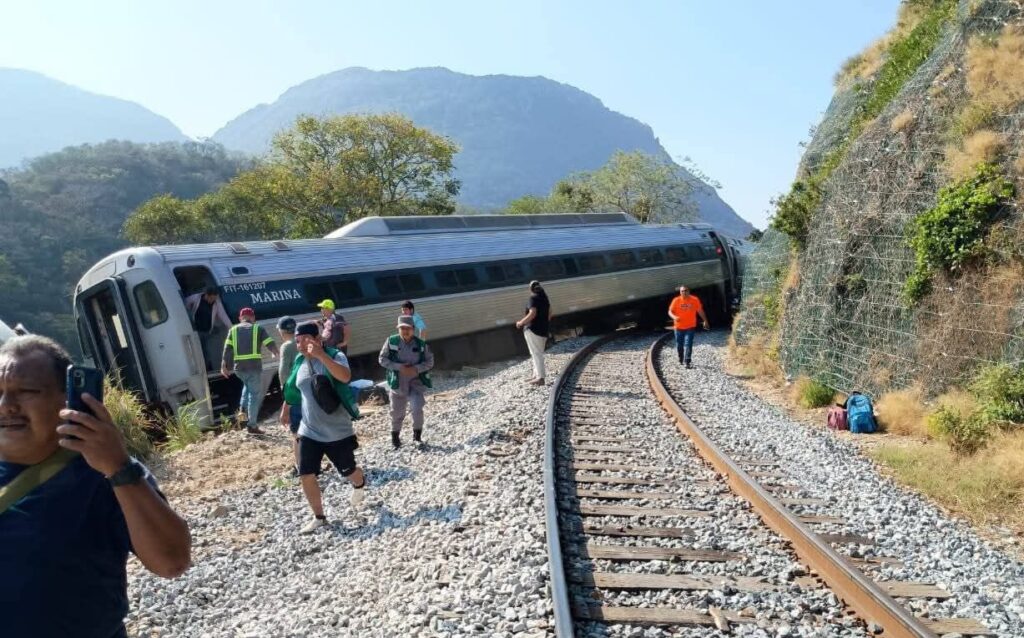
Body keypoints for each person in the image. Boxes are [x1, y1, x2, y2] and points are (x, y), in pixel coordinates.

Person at [0, 335, 191, 637]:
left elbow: (172, 562)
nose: (6, 406)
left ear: (70, 400)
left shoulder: (104, 472)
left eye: (25, 391)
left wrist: (118, 467)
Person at [283, 322, 366, 534]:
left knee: (348, 471)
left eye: (304, 340)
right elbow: (296, 387)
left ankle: (359, 483)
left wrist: (321, 355)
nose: (300, 345)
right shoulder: (299, 361)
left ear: (317, 339)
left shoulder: (334, 355)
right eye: (297, 340)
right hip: (309, 430)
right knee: (306, 473)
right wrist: (285, 407)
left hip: (337, 430)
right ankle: (319, 517)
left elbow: (345, 377)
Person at [378, 316, 435, 450]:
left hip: (415, 383)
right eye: (402, 328)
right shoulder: (391, 341)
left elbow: (430, 362)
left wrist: (416, 369)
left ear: (413, 329)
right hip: (397, 383)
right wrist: (399, 367)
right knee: (397, 412)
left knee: (417, 408)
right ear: (398, 329)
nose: (405, 331)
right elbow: (382, 359)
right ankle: (395, 438)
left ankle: (417, 437)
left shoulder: (421, 344)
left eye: (408, 328)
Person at [221, 307, 279, 434]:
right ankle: (252, 425)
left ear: (240, 318)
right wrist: (275, 352)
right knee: (254, 395)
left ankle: (242, 410)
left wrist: (223, 366)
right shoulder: (258, 328)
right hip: (253, 367)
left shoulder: (233, 330)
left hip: (239, 369)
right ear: (253, 317)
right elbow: (269, 342)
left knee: (247, 387)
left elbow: (227, 349)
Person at [184, 286, 233, 372]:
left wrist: (232, 328)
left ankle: (207, 369)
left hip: (206, 331)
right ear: (206, 295)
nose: (213, 300)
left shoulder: (216, 303)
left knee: (206, 351)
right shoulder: (196, 298)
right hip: (196, 331)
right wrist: (188, 316)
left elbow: (223, 316)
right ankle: (200, 369)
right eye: (212, 298)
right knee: (198, 351)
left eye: (215, 298)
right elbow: (185, 303)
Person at [276, 316, 302, 475]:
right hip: (308, 393)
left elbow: (284, 374)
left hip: (295, 395)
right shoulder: (302, 342)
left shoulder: (287, 346)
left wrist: (286, 400)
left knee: (297, 433)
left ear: (281, 331)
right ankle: (315, 462)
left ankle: (301, 467)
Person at [515, 280, 552, 386]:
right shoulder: (545, 300)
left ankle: (540, 378)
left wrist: (520, 323)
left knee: (536, 354)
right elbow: (550, 314)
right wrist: (543, 323)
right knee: (536, 353)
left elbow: (532, 313)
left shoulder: (533, 298)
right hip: (543, 330)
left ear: (531, 289)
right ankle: (536, 375)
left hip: (533, 330)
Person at [667, 285, 709, 369]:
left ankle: (687, 361)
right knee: (679, 345)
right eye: (682, 291)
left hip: (690, 326)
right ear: (680, 292)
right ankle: (680, 358)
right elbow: (670, 311)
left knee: (688, 343)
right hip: (678, 327)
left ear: (689, 291)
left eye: (685, 290)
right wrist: (674, 317)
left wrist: (705, 321)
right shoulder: (676, 300)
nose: (684, 292)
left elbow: (700, 311)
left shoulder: (694, 300)